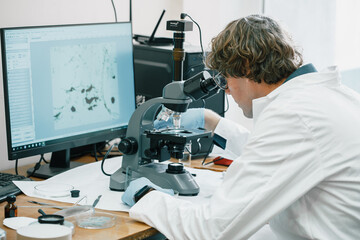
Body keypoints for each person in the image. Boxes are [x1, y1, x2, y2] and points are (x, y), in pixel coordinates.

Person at [122, 14, 360, 239]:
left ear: (245, 67)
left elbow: (211, 231)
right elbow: (279, 157)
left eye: (226, 79)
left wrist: (147, 197)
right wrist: (211, 120)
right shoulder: (329, 96)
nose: (226, 90)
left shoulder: (293, 116)